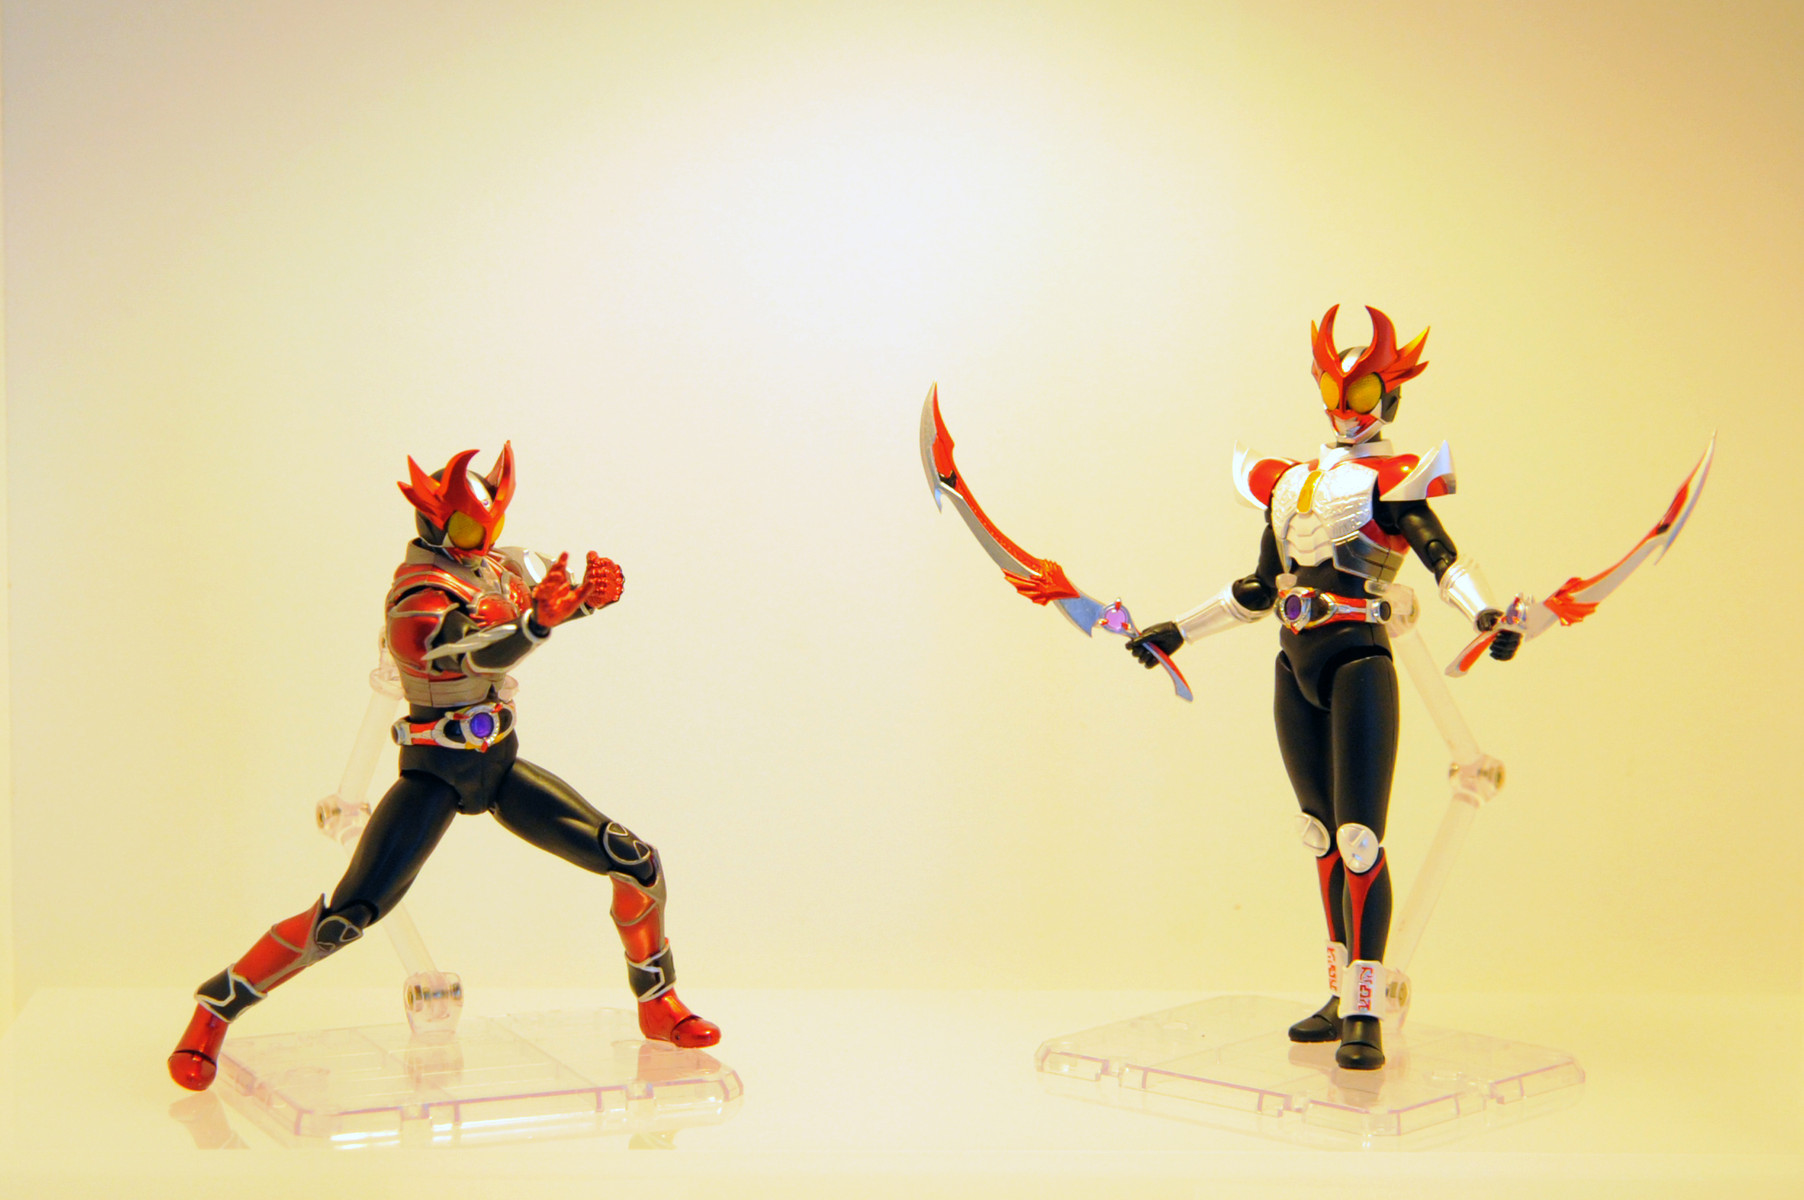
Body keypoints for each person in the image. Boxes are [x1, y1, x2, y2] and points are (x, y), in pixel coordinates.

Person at [168, 444, 718, 1091]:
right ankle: (214, 1010)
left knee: (634, 861)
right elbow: (470, 655)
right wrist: (537, 624)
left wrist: (589, 596)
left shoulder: (499, 567)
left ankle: (658, 1001)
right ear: (432, 522)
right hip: (435, 772)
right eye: (463, 527)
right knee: (347, 917)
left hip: (499, 765)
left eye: (489, 525)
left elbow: (549, 600)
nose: (479, 540)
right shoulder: (417, 594)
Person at [1126, 307, 1517, 1069]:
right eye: (1336, 388)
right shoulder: (1291, 485)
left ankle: (1367, 1008)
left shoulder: (1393, 483)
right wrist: (1178, 630)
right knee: (1319, 833)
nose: (1347, 405)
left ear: (1389, 396)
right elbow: (1259, 586)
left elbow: (1443, 558)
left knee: (1360, 837)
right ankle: (1339, 993)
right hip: (1293, 662)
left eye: (1362, 389)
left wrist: (1485, 613)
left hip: (1358, 662)